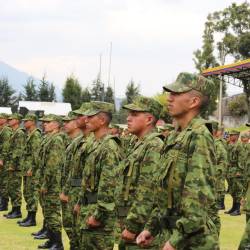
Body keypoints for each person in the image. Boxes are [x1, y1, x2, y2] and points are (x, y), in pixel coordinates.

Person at [137, 72, 219, 250]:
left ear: (194, 101)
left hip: (193, 241)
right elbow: (165, 192)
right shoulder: (175, 136)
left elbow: (198, 198)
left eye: (176, 94)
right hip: (173, 233)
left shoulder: (199, 135)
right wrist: (151, 228)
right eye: (169, 94)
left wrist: (176, 240)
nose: (169, 98)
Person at [113, 96, 164, 250]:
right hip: (128, 224)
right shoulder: (139, 144)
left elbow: (148, 190)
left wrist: (133, 226)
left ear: (149, 119)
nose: (128, 119)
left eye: (134, 115)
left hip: (141, 230)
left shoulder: (154, 145)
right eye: (129, 114)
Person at [74, 101, 122, 250]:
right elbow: (88, 179)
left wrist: (98, 215)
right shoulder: (96, 144)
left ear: (102, 120)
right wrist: (80, 202)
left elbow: (109, 185)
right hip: (88, 209)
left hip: (99, 217)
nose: (86, 120)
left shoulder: (109, 146)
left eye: (90, 117)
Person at [38, 114, 65, 250]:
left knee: (53, 213)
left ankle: (57, 243)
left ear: (56, 124)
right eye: (44, 122)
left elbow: (52, 165)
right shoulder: (49, 138)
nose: (45, 124)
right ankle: (51, 240)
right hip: (46, 181)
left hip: (52, 183)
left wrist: (46, 183)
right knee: (48, 212)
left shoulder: (57, 140)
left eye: (48, 122)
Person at [18, 114, 42, 227]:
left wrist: (32, 168)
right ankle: (29, 216)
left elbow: (36, 154)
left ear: (32, 121)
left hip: (32, 170)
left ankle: (32, 218)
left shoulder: (36, 135)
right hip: (27, 168)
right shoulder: (30, 134)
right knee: (27, 193)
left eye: (26, 121)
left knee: (32, 193)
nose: (24, 122)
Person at [4, 113, 26, 219]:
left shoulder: (20, 133)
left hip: (16, 166)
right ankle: (14, 209)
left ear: (17, 120)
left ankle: (17, 211)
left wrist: (13, 164)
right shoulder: (13, 132)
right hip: (11, 164)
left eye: (11, 119)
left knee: (15, 188)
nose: (9, 120)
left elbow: (18, 150)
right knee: (11, 187)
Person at [225, 130, 245, 216]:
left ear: (236, 136)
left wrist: (239, 171)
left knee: (238, 191)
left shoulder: (239, 145)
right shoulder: (230, 144)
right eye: (230, 135)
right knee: (232, 190)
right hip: (230, 170)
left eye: (232, 135)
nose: (230, 136)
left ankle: (237, 209)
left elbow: (241, 159)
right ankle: (233, 207)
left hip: (236, 170)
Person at [0, 113, 12, 211]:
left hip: (5, 160)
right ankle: (2, 202)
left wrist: (2, 159)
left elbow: (6, 146)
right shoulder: (2, 129)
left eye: (1, 118)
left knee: (4, 182)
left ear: (5, 119)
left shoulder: (6, 130)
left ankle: (4, 204)